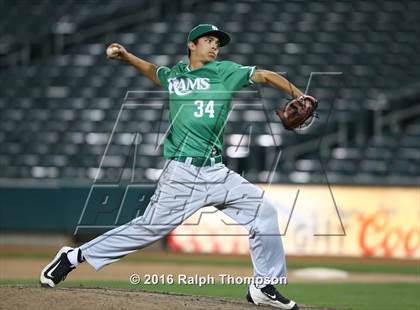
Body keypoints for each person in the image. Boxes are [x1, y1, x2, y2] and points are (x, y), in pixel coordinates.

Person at [40, 24, 311, 310]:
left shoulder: (226, 72)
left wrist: (299, 95)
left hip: (216, 172)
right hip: (182, 174)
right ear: (192, 44)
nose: (215, 45)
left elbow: (266, 76)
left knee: (264, 212)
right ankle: (72, 257)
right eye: (208, 40)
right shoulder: (176, 77)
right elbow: (154, 71)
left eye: (217, 42)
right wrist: (127, 56)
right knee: (147, 230)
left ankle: (263, 286)